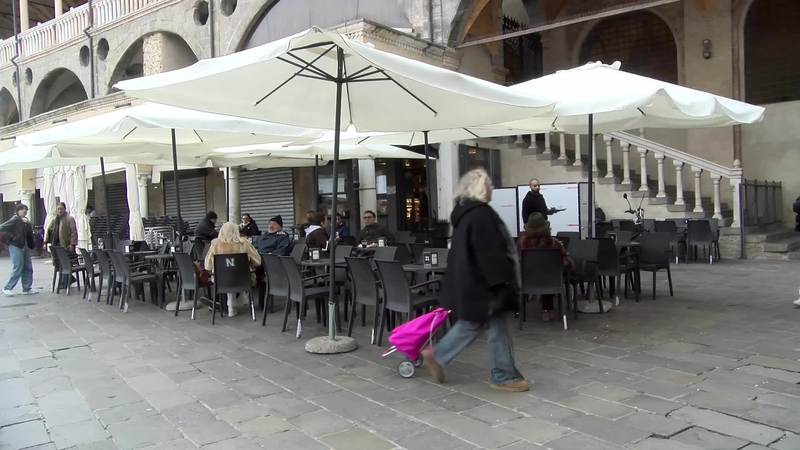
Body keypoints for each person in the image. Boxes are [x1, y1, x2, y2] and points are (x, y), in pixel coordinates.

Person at [422, 169, 529, 392]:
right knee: (491, 325)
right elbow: (490, 252)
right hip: (486, 284)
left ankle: (440, 356)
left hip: (471, 282)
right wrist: (501, 283)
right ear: (480, 188)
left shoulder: (465, 215)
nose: (492, 189)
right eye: (489, 185)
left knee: (476, 324)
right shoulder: (481, 215)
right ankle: (503, 375)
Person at [517, 212, 575, 322]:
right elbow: (566, 263)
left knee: (541, 272)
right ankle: (547, 310)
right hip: (550, 282)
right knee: (550, 272)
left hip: (527, 281)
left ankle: (521, 310)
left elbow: (517, 260)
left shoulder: (522, 243)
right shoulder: (554, 243)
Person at [204, 222, 261, 317]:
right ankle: (238, 300)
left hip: (221, 281)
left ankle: (231, 305)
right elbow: (257, 261)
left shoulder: (215, 245)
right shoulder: (244, 243)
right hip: (244, 280)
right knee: (242, 277)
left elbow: (207, 266)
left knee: (227, 278)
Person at [1, 204, 37, 297]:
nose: (24, 211)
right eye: (22, 209)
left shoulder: (26, 221)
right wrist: (11, 237)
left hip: (24, 245)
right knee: (18, 267)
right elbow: (2, 228)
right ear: (17, 211)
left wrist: (31, 244)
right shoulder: (15, 219)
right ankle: (7, 288)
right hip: (15, 245)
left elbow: (28, 234)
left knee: (28, 267)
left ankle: (27, 288)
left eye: (25, 209)